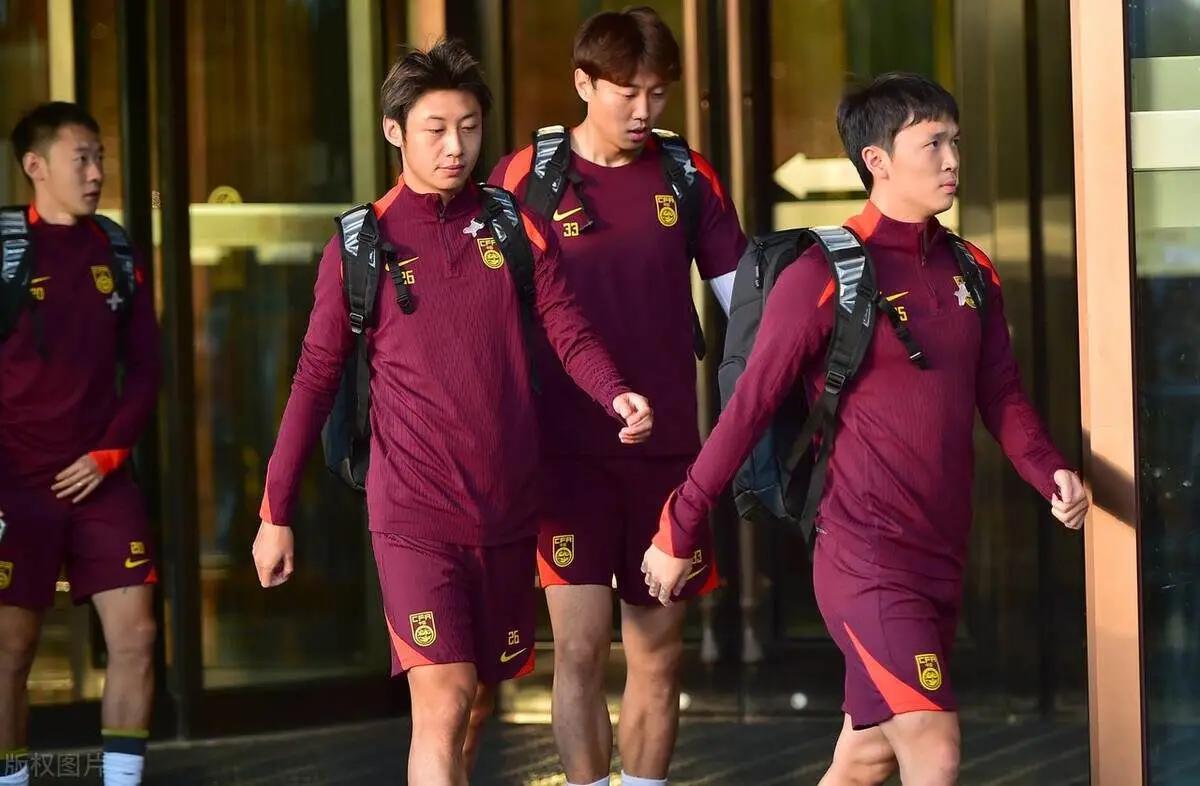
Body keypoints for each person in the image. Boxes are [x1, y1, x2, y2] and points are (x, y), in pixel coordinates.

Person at [642, 73, 1090, 786]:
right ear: (877, 160)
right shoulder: (825, 273)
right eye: (932, 144)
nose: (952, 160)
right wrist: (679, 524)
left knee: (866, 758)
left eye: (955, 141)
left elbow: (1001, 393)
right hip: (863, 553)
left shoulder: (971, 270)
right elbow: (749, 405)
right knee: (934, 747)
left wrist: (1050, 471)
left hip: (940, 553)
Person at [250, 40, 654, 785]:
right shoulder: (362, 245)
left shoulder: (513, 226)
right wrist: (276, 510)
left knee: (474, 707)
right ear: (394, 131)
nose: (455, 147)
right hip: (412, 513)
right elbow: (314, 380)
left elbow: (566, 327)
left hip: (506, 509)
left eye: (469, 128)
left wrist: (614, 391)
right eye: (435, 129)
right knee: (444, 700)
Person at [488, 8, 744, 786]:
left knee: (658, 654)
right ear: (583, 84)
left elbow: (746, 304)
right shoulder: (524, 178)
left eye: (657, 93)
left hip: (666, 454)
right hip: (563, 455)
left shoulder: (686, 176)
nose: (642, 110)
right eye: (626, 92)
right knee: (577, 650)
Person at [0, 102, 161, 786]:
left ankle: (121, 783)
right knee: (11, 650)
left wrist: (110, 452)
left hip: (103, 477)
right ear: (35, 166)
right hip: (16, 484)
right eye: (81, 159)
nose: (96, 173)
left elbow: (147, 366)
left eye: (100, 158)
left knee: (138, 637)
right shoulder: (8, 251)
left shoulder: (115, 249)